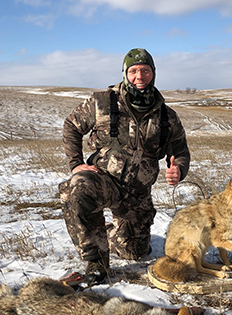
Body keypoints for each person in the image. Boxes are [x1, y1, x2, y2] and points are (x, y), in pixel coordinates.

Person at [59, 48, 190, 286]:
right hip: (104, 181)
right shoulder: (101, 102)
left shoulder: (167, 116)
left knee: (135, 252)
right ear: (125, 73)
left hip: (137, 193)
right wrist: (76, 163)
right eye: (134, 71)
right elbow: (71, 125)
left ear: (153, 73)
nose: (139, 76)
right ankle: (96, 261)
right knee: (77, 188)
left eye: (145, 71)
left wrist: (178, 169)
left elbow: (180, 152)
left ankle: (106, 231)